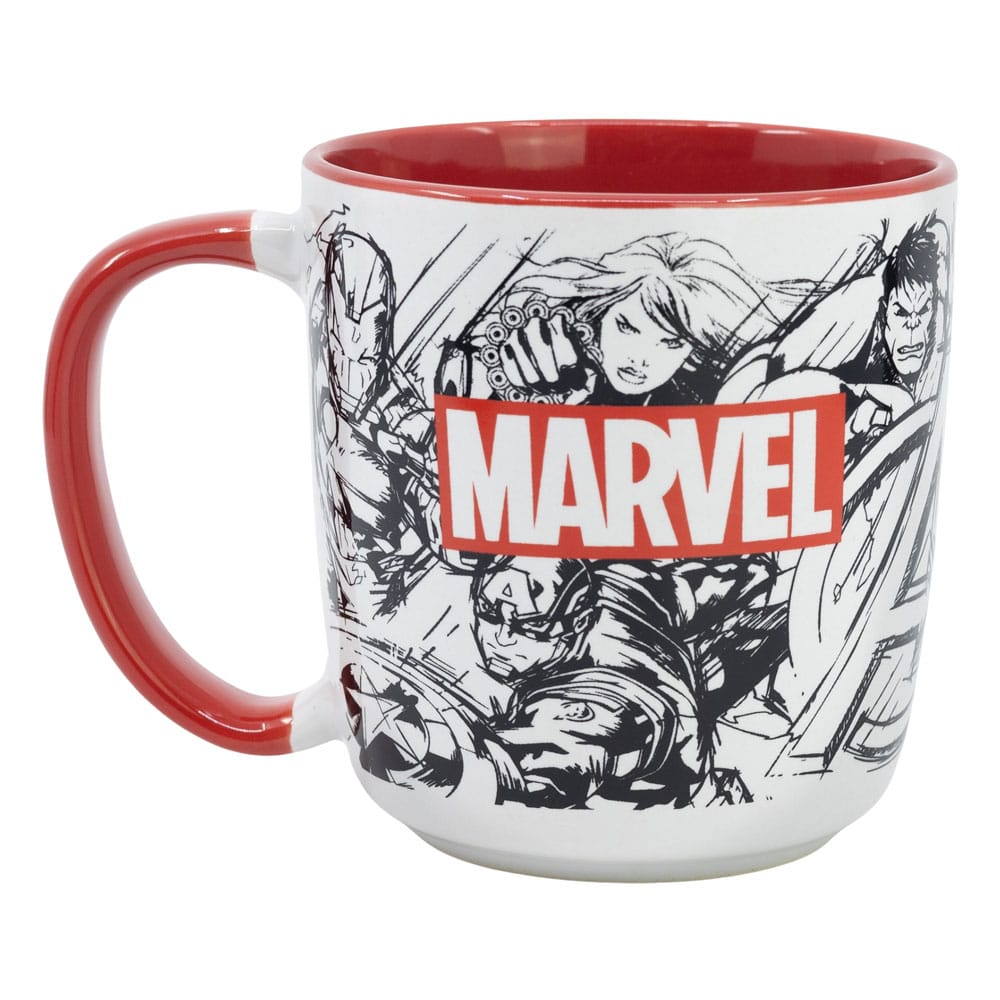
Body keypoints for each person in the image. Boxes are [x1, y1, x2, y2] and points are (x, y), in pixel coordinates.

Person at [436, 233, 812, 406]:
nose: (640, 358)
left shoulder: (704, 401)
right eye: (627, 327)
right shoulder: (554, 364)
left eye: (671, 343)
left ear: (692, 352)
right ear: (599, 316)